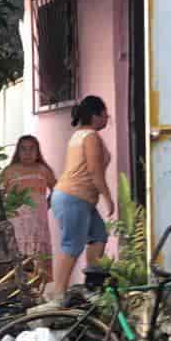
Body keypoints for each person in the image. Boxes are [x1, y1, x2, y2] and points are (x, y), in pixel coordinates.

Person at [41, 95, 115, 310]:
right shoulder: (90, 136)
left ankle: (91, 286)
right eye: (104, 114)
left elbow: (99, 162)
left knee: (98, 236)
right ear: (95, 116)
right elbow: (94, 171)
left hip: (76, 198)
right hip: (74, 197)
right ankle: (59, 295)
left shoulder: (79, 135)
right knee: (72, 245)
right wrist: (108, 197)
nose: (107, 119)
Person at [0, 134, 56, 261]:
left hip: (38, 221)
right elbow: (0, 196)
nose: (27, 153)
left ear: (37, 151)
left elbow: (56, 190)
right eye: (23, 149)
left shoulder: (44, 170)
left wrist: (46, 205)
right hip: (16, 221)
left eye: (32, 149)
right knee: (19, 256)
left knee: (38, 259)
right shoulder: (9, 171)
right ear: (18, 151)